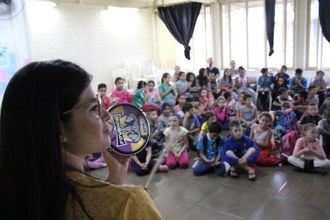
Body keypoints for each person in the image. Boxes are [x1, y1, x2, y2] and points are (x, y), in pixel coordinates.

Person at [0, 60, 163, 219]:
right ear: (58, 129)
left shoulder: (18, 197)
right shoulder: (128, 203)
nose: (106, 115)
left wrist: (114, 181)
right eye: (94, 108)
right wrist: (118, 195)